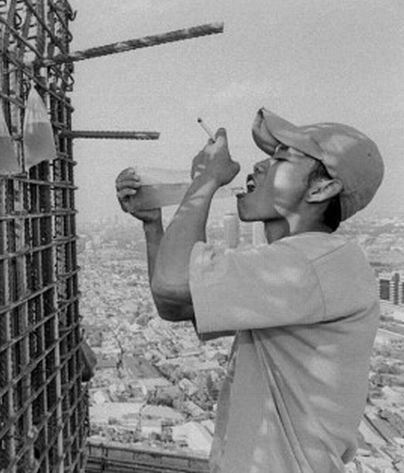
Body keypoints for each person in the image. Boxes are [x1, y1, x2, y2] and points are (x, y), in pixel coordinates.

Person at [115, 107, 384, 473]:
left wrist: (205, 180)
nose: (258, 167)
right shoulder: (295, 263)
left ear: (322, 188)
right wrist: (152, 225)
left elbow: (174, 286)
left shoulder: (314, 262)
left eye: (280, 158)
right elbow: (174, 305)